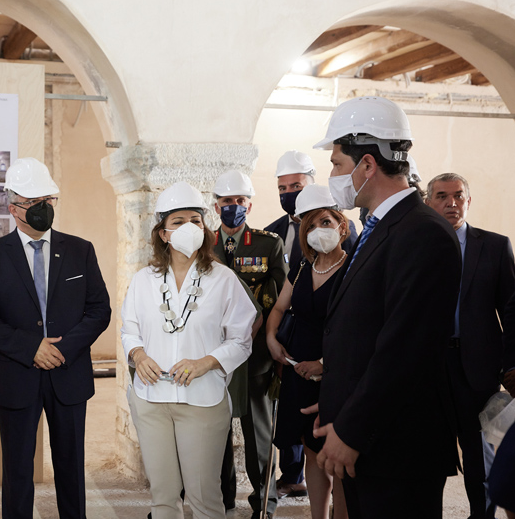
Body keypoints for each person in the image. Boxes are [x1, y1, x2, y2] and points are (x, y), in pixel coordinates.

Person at [309, 96, 460, 518]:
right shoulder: (381, 228)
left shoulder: (422, 233)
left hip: (397, 448)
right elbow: (364, 329)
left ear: (367, 165)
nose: (333, 175)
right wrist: (338, 400)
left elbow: (404, 351)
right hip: (371, 436)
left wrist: (352, 429)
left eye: (337, 163)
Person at [0, 157, 111, 519]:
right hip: (16, 375)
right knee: (17, 470)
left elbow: (99, 310)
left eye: (48, 200)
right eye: (33, 202)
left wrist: (62, 349)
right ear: (13, 208)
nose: (43, 208)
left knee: (71, 467)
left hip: (68, 372)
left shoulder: (80, 250)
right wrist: (31, 348)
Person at [122, 181, 255, 519]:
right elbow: (129, 330)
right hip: (151, 400)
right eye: (178, 222)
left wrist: (206, 362)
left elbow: (241, 340)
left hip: (203, 401)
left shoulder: (223, 279)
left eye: (195, 220)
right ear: (163, 233)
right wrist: (138, 355)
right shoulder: (143, 280)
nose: (189, 227)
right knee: (163, 497)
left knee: (204, 497)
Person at [262, 150, 356, 499]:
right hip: (296, 365)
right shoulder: (301, 266)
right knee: (309, 448)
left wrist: (326, 364)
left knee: (336, 454)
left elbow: (359, 329)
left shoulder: (354, 269)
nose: (318, 231)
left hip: (334, 370)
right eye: (310, 225)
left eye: (325, 223)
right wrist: (272, 338)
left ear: (342, 225)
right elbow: (279, 306)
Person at [424, 172, 515, 519]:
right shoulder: (417, 246)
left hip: (477, 367)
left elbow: (511, 311)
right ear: (429, 202)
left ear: (469, 200)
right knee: (429, 453)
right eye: (442, 196)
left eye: (459, 196)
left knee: (479, 456)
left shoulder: (494, 246)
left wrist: (511, 365)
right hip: (428, 368)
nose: (452, 203)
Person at [210, 170, 286, 518]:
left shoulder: (268, 244)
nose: (234, 206)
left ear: (249, 206)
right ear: (216, 206)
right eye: (227, 201)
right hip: (214, 355)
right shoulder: (203, 244)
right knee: (216, 431)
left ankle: (264, 503)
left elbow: (282, 299)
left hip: (256, 356)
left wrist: (271, 338)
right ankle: (222, 499)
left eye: (240, 201)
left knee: (258, 434)